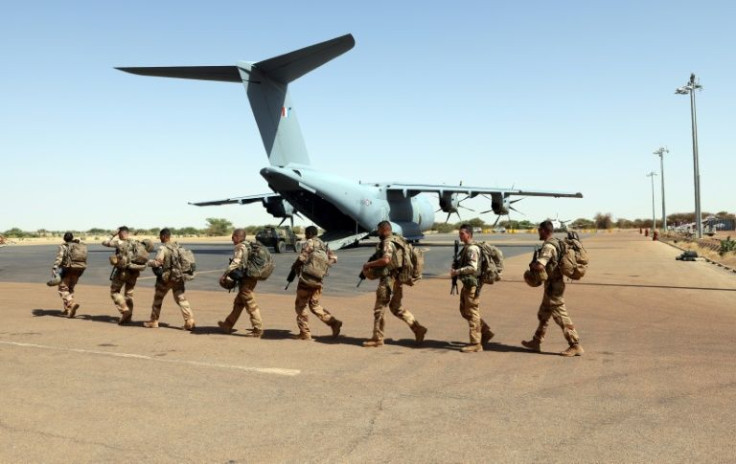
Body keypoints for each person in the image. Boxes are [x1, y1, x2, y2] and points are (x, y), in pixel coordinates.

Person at [521, 220, 584, 357]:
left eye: (539, 229)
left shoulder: (549, 246)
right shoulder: (557, 242)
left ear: (544, 230)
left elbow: (541, 265)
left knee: (561, 315)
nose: (538, 232)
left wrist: (533, 267)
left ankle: (575, 345)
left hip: (554, 287)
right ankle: (536, 341)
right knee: (544, 314)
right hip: (554, 284)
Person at [361, 221, 427, 348]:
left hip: (388, 280)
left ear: (384, 230)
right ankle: (418, 329)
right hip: (398, 279)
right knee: (396, 307)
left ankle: (377, 338)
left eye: (379, 230)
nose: (378, 233)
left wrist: (369, 265)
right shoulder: (399, 240)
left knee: (379, 309)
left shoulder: (388, 243)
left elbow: (386, 259)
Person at [290, 226, 342, 340]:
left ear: (309, 233)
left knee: (301, 305)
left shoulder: (310, 242)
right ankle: (334, 323)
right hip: (318, 280)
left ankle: (305, 333)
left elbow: (302, 258)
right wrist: (324, 265)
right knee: (315, 305)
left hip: (306, 280)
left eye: (306, 233)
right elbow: (334, 258)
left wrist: (295, 266)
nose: (305, 235)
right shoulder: (323, 245)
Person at [449, 224, 495, 353]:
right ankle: (485, 332)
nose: (460, 236)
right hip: (467, 284)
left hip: (472, 285)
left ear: (468, 234)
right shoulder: (466, 248)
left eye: (462, 234)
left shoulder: (472, 249)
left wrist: (457, 271)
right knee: (464, 310)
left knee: (472, 313)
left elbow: (473, 267)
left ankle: (476, 343)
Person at [143, 228, 196, 331]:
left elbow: (158, 262)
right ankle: (189, 321)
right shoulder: (178, 246)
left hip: (166, 278)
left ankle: (154, 321)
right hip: (178, 277)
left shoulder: (163, 248)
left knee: (158, 298)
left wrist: (148, 262)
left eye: (160, 236)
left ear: (163, 236)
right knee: (181, 298)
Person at [218, 229, 263, 337]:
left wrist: (225, 275)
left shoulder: (240, 247)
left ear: (238, 237)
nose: (232, 239)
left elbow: (236, 262)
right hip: (252, 277)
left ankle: (258, 329)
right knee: (239, 302)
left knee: (250, 304)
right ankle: (227, 325)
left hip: (246, 279)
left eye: (233, 237)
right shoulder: (249, 245)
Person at [102, 226, 139, 325]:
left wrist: (112, 234)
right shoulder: (135, 242)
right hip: (134, 271)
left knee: (114, 291)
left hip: (123, 271)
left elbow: (104, 242)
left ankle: (124, 310)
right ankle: (128, 317)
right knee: (129, 294)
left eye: (119, 233)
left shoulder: (119, 242)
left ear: (121, 233)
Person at [51, 232, 85, 318]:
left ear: (64, 238)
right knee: (70, 289)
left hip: (67, 269)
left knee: (63, 289)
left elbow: (59, 258)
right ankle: (67, 310)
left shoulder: (63, 246)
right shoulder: (79, 245)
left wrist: (54, 267)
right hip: (78, 270)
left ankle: (71, 304)